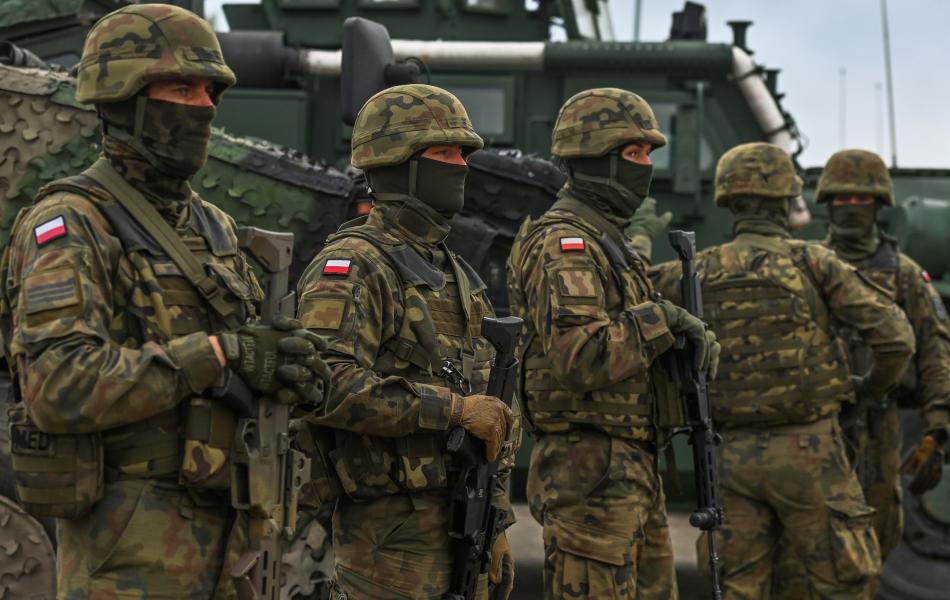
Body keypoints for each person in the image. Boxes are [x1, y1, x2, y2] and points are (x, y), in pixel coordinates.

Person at [0, 5, 327, 597]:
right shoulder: (73, 223)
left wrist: (290, 369)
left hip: (235, 547)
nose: (202, 108)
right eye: (181, 88)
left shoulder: (215, 229)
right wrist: (219, 355)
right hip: (128, 556)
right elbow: (58, 388)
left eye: (210, 93)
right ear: (123, 100)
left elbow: (253, 358)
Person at [641, 141, 916, 599]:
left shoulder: (695, 271)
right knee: (842, 581)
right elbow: (896, 338)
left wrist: (637, 237)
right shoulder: (814, 262)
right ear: (789, 199)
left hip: (729, 454)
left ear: (727, 198)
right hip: (810, 452)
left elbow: (634, 294)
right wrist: (868, 390)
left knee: (738, 585)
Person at [297, 83, 519, 599]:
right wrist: (454, 410)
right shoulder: (353, 266)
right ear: (398, 162)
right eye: (444, 152)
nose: (460, 165)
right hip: (389, 537)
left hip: (464, 520)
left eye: (464, 153)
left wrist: (498, 518)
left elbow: (496, 406)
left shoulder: (454, 271)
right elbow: (322, 384)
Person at [506, 87, 721, 600]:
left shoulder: (608, 241)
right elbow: (580, 358)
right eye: (633, 154)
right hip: (589, 474)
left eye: (649, 154)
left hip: (627, 466)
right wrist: (660, 320)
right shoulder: (566, 243)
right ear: (595, 159)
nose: (645, 166)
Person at [772, 149, 950, 598]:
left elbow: (934, 349)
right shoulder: (803, 266)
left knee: (880, 530)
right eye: (842, 200)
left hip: (880, 422)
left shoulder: (906, 275)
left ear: (880, 207)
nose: (852, 210)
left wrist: (937, 425)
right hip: (815, 425)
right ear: (826, 204)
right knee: (804, 537)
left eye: (863, 200)